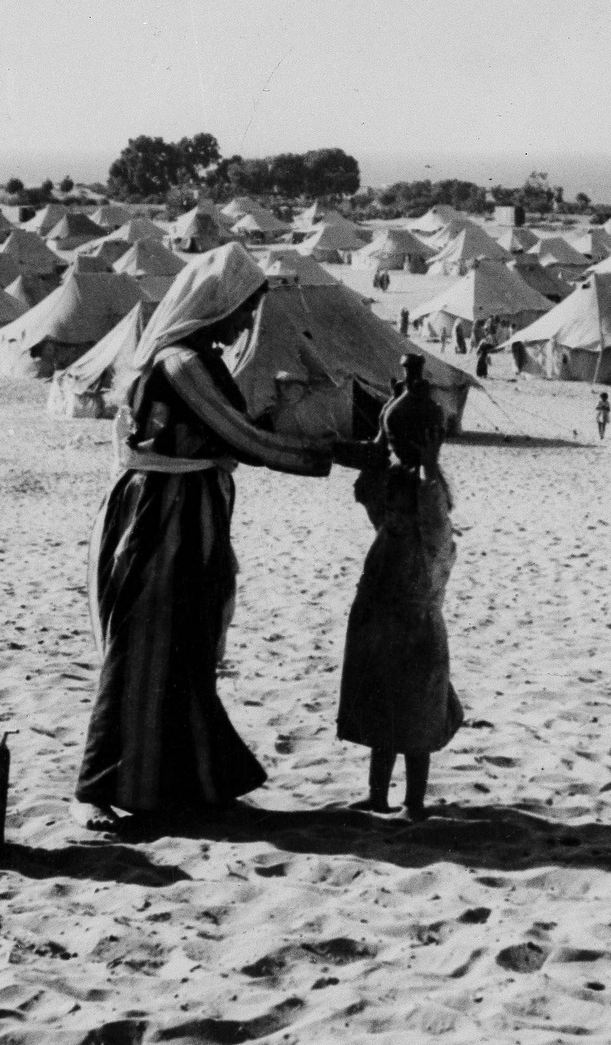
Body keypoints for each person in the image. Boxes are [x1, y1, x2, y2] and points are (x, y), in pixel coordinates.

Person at [75, 245, 334, 835]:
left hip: (190, 515)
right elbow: (239, 437)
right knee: (141, 647)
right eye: (243, 310)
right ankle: (98, 789)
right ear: (217, 305)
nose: (246, 323)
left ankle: (187, 783)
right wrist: (333, 455)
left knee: (187, 650)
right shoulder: (180, 363)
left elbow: (228, 429)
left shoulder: (198, 360)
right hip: (159, 519)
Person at [336, 354, 463, 820]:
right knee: (386, 704)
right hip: (389, 612)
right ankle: (379, 795)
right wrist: (385, 429)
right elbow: (367, 490)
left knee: (413, 710)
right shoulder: (396, 494)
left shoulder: (424, 502)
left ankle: (412, 802)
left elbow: (429, 507)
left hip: (411, 615)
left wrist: (421, 462)